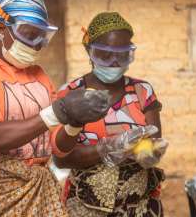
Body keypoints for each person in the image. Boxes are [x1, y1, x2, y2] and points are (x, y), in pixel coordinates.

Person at [0, 0, 111, 216]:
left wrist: (75, 122)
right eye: (29, 34)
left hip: (39, 191)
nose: (37, 45)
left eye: (42, 37)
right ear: (1, 28)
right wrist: (58, 112)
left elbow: (57, 146)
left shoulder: (39, 74)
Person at [54, 12, 167, 216]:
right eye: (105, 54)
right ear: (89, 50)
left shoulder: (142, 91)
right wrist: (109, 148)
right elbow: (61, 159)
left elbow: (153, 142)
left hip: (140, 205)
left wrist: (149, 153)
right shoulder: (71, 95)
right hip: (86, 207)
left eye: (122, 54)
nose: (114, 62)